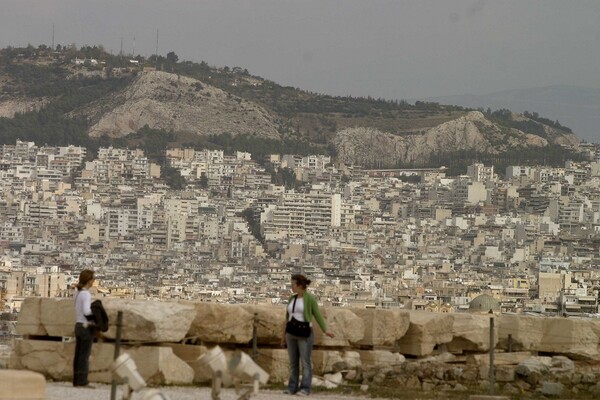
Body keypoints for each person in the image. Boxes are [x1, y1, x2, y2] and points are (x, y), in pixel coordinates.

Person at [281, 274, 334, 396]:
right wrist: (283, 336)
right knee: (293, 363)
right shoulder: (292, 299)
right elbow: (287, 318)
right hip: (291, 333)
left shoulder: (309, 299)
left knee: (305, 362)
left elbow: (317, 315)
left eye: (293, 284)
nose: (291, 286)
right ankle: (292, 387)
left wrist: (326, 330)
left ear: (299, 285)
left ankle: (305, 388)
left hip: (304, 333)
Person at [73, 269, 96, 388]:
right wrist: (94, 320)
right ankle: (82, 380)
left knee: (78, 354)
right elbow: (87, 311)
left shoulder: (77, 293)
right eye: (92, 279)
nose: (93, 282)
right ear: (88, 280)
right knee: (84, 355)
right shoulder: (86, 294)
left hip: (77, 324)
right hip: (85, 326)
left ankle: (76, 379)